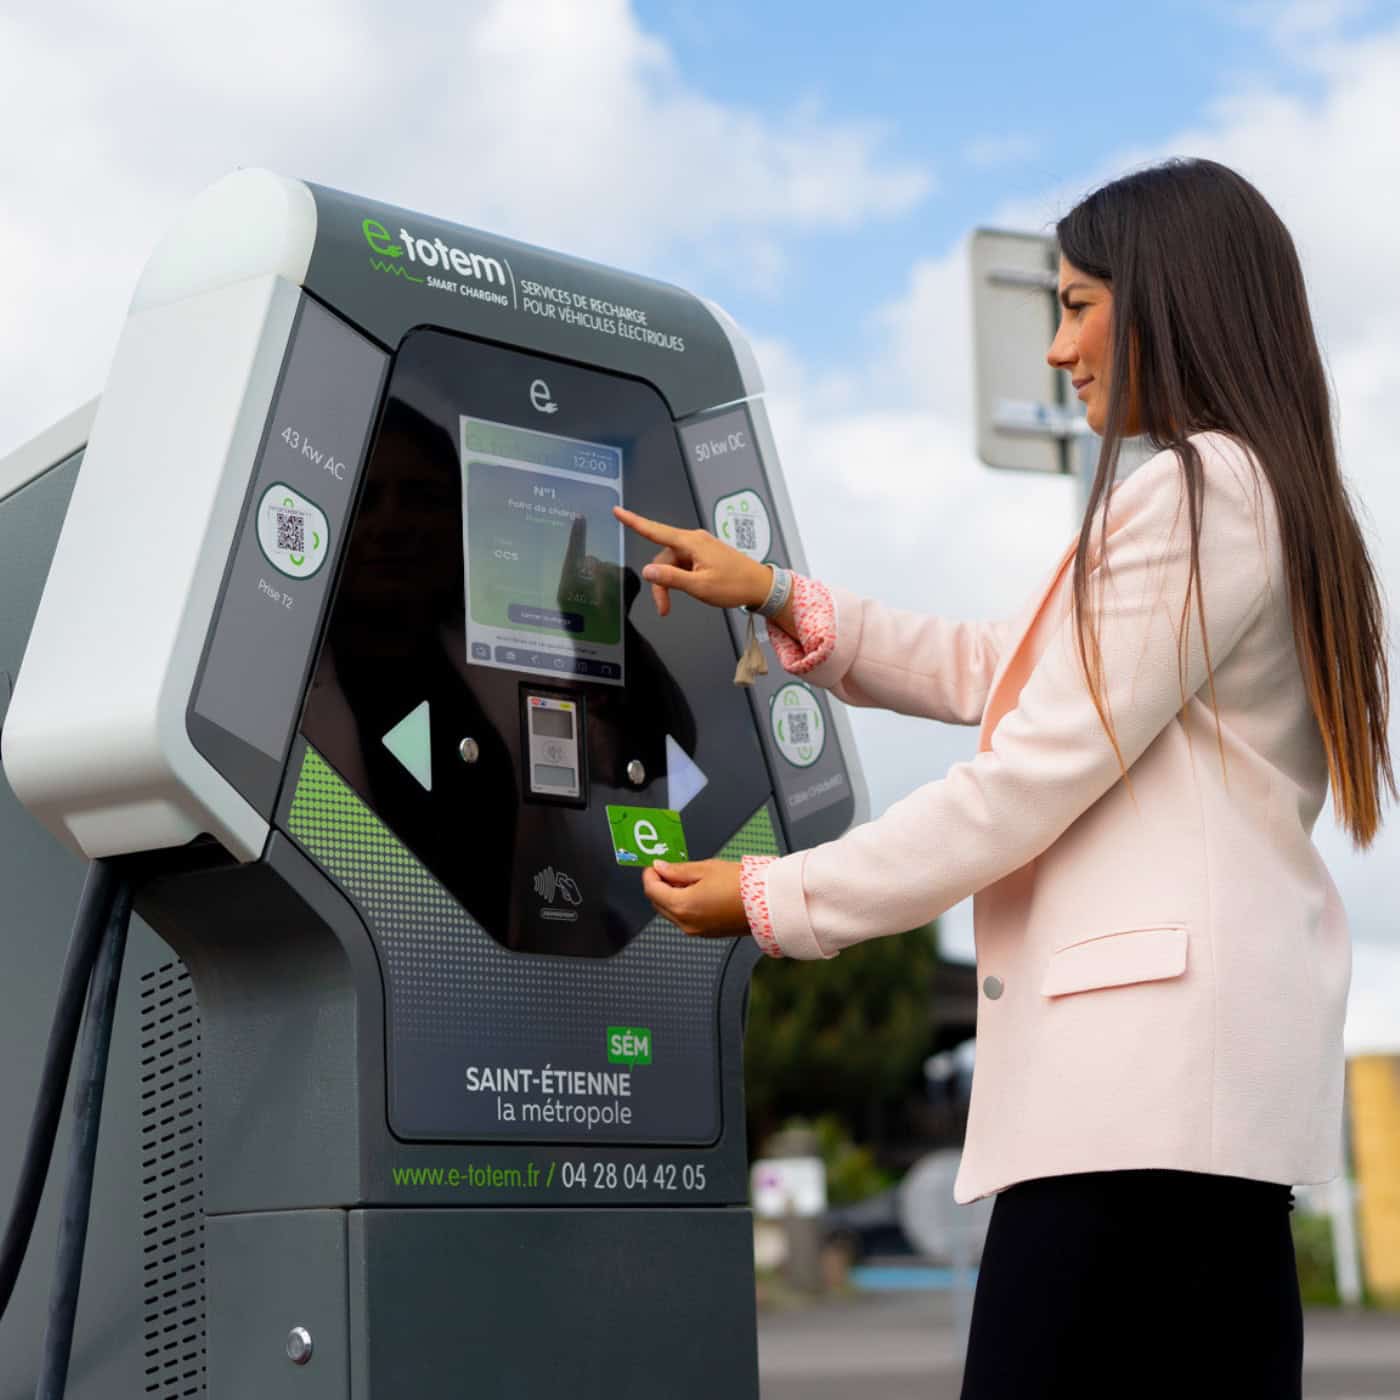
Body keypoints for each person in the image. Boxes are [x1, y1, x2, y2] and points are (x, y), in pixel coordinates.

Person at [612, 156, 1394, 1398]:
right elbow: (1019, 673)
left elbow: (1025, 773)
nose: (1054, 347)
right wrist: (779, 597)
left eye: (1077, 304)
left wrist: (774, 898)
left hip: (1135, 1115)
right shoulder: (1253, 492)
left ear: (1167, 302)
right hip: (1182, 1119)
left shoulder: (1199, 492)